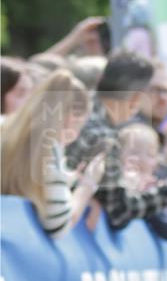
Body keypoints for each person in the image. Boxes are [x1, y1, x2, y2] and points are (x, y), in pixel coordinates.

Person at [65, 51, 167, 229]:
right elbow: (120, 210)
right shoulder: (103, 137)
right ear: (137, 98)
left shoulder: (73, 108)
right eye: (154, 91)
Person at [1, 69, 105, 238]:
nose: (76, 135)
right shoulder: (49, 148)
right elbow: (58, 226)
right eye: (79, 126)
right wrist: (87, 185)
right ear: (71, 117)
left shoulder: (5, 125)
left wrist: (66, 179)